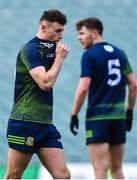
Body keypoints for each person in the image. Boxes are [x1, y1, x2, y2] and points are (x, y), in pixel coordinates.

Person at [5, 9, 70, 179]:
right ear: (43, 27)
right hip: (25, 121)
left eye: (62, 31)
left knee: (63, 175)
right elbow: (45, 83)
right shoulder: (30, 49)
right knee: (14, 175)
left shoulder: (51, 48)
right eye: (58, 31)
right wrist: (59, 59)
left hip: (45, 124)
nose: (61, 35)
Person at [70, 17, 137, 179]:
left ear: (94, 34)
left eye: (81, 33)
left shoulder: (90, 55)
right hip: (118, 118)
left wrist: (74, 114)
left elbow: (83, 88)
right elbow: (134, 85)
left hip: (98, 118)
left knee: (100, 169)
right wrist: (129, 112)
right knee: (117, 170)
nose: (78, 38)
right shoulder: (120, 54)